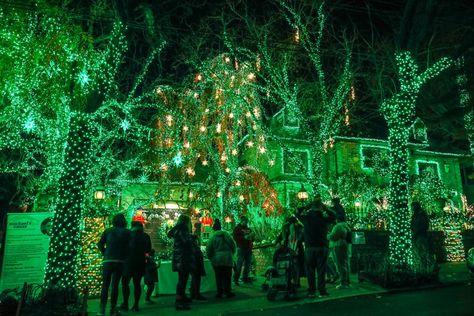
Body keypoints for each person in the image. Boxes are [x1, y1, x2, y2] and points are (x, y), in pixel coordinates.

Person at [295, 195, 336, 298]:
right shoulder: (324, 219)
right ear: (321, 208)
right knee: (321, 270)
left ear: (311, 208)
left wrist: (307, 206)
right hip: (322, 246)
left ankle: (312, 291)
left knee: (310, 270)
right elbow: (334, 215)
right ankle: (322, 291)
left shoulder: (306, 219)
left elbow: (296, 212)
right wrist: (326, 208)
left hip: (309, 247)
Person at [97, 213, 130, 316]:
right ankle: (112, 309)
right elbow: (130, 246)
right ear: (124, 221)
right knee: (115, 285)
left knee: (105, 285)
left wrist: (105, 252)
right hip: (120, 261)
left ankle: (102, 310)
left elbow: (100, 243)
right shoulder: (127, 232)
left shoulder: (108, 231)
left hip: (108, 260)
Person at [120, 221, 152, 312]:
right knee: (137, 284)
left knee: (125, 283)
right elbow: (148, 249)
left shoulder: (128, 235)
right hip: (140, 262)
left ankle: (125, 304)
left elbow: (123, 247)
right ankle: (136, 305)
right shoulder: (145, 236)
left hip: (128, 262)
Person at [167, 214, 196, 310]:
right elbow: (186, 241)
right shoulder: (183, 229)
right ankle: (179, 301)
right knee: (182, 280)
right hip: (183, 258)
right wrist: (193, 238)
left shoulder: (177, 229)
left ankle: (182, 297)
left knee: (182, 279)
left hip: (179, 258)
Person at [206, 219, 236, 298]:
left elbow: (209, 249)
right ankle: (228, 291)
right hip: (228, 257)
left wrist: (210, 257)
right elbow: (233, 245)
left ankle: (220, 292)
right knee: (227, 276)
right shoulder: (227, 235)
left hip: (217, 258)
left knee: (218, 276)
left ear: (214, 228)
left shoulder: (212, 237)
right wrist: (231, 254)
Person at [328, 216, 352, 289]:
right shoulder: (346, 225)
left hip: (339, 245)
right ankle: (347, 281)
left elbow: (333, 237)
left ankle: (343, 282)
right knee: (346, 263)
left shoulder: (338, 226)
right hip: (345, 245)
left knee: (340, 264)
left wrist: (327, 235)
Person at [232, 215, 254, 285]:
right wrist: (244, 237)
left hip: (248, 249)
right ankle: (236, 279)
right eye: (245, 221)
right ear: (242, 221)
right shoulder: (237, 229)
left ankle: (245, 278)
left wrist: (252, 237)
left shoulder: (248, 229)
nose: (246, 223)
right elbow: (235, 238)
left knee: (248, 265)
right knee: (239, 264)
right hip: (241, 248)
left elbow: (252, 238)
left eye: (247, 222)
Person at [190, 222, 207, 301]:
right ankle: (196, 294)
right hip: (195, 263)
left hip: (194, 263)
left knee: (194, 278)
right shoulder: (193, 243)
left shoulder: (192, 241)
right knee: (196, 278)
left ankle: (194, 294)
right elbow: (196, 255)